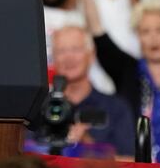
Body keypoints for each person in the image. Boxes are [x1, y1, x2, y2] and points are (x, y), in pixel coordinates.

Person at [82, 0, 160, 163]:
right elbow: (98, 34)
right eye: (145, 31)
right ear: (138, 37)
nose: (153, 38)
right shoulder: (126, 70)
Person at [48, 25, 135, 156]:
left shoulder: (116, 108)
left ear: (92, 54)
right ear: (53, 58)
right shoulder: (40, 108)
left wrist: (88, 146)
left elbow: (131, 162)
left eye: (76, 49)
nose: (69, 57)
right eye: (61, 51)